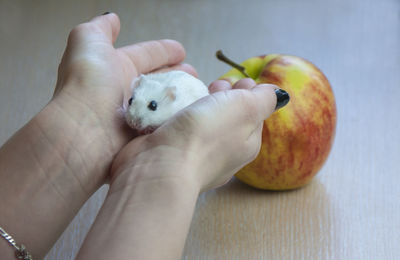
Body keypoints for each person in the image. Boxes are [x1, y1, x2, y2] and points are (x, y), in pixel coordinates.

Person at [0, 12, 288, 259]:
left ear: (169, 98)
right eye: (134, 101)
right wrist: (165, 170)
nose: (135, 117)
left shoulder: (180, 95)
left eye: (151, 107)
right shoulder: (143, 94)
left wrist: (74, 137)